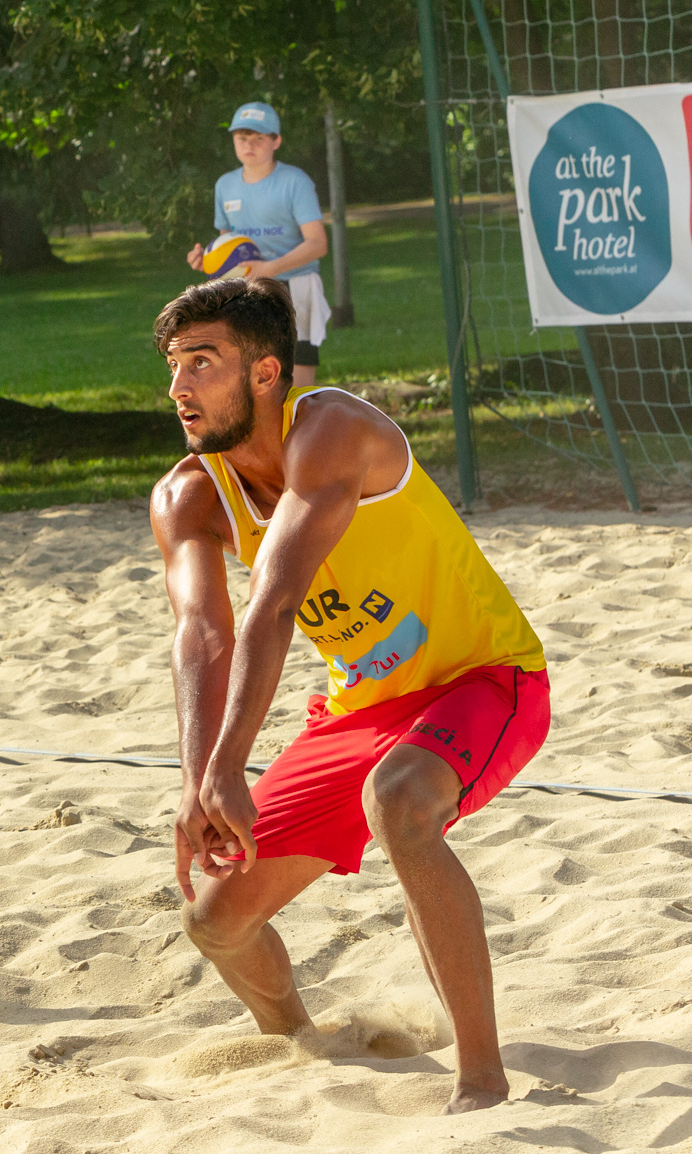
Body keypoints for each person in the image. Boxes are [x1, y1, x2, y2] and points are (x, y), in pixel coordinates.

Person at [148, 277, 549, 1114]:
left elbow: (274, 600)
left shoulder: (330, 429)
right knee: (214, 919)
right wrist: (198, 780)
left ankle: (481, 1082)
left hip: (481, 678)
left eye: (201, 362)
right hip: (358, 711)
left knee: (398, 801)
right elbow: (203, 633)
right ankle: (303, 1043)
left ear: (264, 373)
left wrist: (231, 763)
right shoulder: (186, 494)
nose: (179, 386)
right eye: (173, 365)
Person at [187, 101, 331, 389]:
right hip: (249, 291)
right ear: (233, 141)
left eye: (259, 138)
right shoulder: (225, 186)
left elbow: (318, 244)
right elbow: (227, 247)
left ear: (276, 141)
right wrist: (208, 261)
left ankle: (298, 432)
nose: (249, 144)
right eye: (242, 138)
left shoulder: (295, 182)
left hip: (296, 286)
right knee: (253, 373)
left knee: (296, 380)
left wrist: (270, 268)